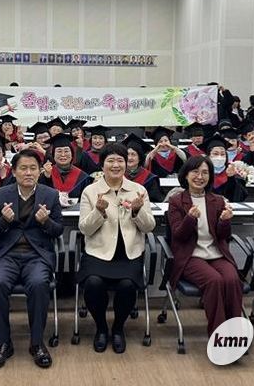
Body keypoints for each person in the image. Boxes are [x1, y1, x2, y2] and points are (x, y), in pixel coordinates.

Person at [0, 149, 64, 370]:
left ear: (39, 171)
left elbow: (58, 230)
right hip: (7, 255)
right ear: (14, 171)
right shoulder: (0, 195)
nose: (28, 173)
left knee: (39, 284)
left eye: (33, 168)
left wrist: (46, 222)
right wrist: (4, 220)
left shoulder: (50, 195)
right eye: (23, 168)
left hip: (37, 255)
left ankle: (37, 343)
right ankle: (2, 344)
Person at [78, 144, 156, 353]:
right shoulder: (90, 191)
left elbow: (149, 227)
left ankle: (118, 328)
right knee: (93, 283)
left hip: (128, 253)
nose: (115, 165)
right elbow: (84, 229)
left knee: (127, 285)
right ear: (102, 165)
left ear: (126, 164)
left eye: (120, 160)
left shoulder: (138, 190)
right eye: (110, 161)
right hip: (98, 251)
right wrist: (98, 212)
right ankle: (101, 328)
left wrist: (137, 211)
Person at [166, 155, 241, 336]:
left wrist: (224, 221)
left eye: (205, 173)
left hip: (216, 254)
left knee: (232, 279)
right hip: (191, 256)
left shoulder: (217, 200)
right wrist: (190, 218)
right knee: (214, 281)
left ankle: (236, 333)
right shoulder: (176, 201)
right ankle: (219, 336)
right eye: (195, 172)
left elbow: (224, 236)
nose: (200, 177)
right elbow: (179, 235)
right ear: (186, 175)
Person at [39, 133, 90, 200]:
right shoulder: (46, 174)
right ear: (53, 155)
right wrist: (46, 178)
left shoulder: (83, 177)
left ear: (72, 154)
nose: (63, 155)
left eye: (66, 151)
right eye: (59, 151)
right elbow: (41, 197)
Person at [200, 135, 247, 202]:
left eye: (222, 154)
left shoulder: (233, 172)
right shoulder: (200, 175)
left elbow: (239, 198)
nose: (219, 157)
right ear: (208, 156)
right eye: (215, 154)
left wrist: (231, 178)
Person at [122, 134, 163, 203]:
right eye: (127, 154)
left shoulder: (149, 178)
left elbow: (155, 201)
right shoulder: (119, 175)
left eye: (133, 154)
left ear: (140, 158)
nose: (129, 158)